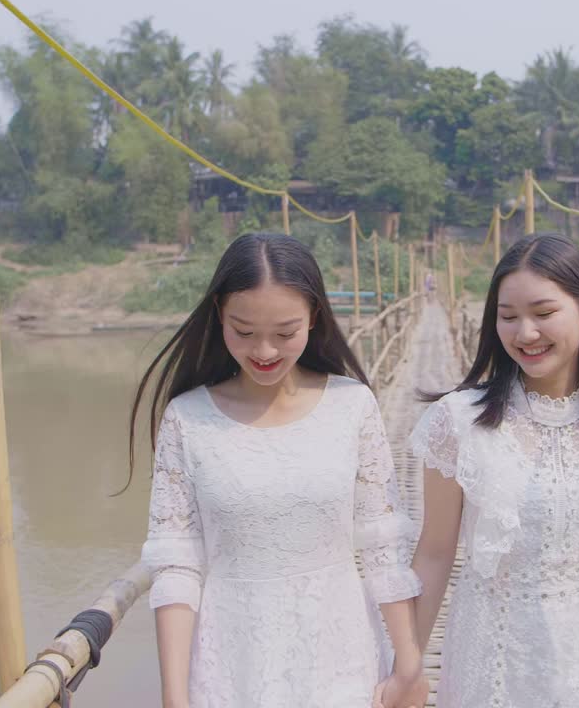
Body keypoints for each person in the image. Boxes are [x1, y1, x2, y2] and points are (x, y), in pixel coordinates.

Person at [130, 233, 429, 708]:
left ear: (314, 317)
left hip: (339, 651)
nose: (264, 351)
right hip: (231, 659)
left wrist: (409, 664)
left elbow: (381, 548)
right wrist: (175, 696)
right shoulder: (186, 420)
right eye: (243, 332)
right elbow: (177, 566)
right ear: (218, 318)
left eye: (285, 332)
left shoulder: (352, 405)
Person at [408, 233, 579, 708]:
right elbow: (434, 553)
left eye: (544, 314)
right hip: (494, 656)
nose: (525, 333)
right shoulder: (459, 422)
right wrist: (407, 664)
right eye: (508, 317)